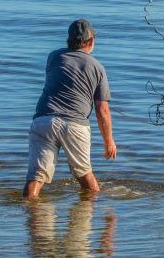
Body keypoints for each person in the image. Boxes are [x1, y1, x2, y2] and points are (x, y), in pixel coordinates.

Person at [24, 19, 117, 199]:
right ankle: (101, 215)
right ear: (91, 42)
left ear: (68, 40)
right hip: (74, 124)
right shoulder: (97, 67)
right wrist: (109, 142)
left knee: (35, 178)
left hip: (43, 120)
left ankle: (31, 217)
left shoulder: (53, 57)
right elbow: (102, 108)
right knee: (85, 176)